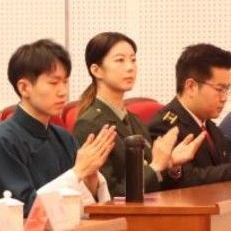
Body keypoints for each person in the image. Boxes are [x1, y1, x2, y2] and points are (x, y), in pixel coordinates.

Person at [0, 39, 115, 215]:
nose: (63, 91)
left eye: (65, 82)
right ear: (24, 88)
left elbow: (83, 205)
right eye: (54, 83)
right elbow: (23, 210)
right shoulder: (1, 140)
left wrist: (90, 177)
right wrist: (78, 171)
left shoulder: (64, 138)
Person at [74, 32, 203, 196]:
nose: (130, 67)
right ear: (96, 70)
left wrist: (170, 165)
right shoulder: (89, 123)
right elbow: (109, 195)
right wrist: (155, 166)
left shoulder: (135, 120)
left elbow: (154, 184)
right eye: (120, 60)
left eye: (133, 60)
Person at [149, 44, 231, 187]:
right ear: (191, 86)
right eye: (219, 89)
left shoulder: (209, 125)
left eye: (227, 89)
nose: (225, 98)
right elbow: (187, 178)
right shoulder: (164, 127)